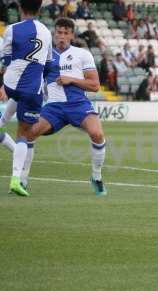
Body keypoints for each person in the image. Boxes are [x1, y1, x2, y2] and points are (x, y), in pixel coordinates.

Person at [19, 18, 107, 196]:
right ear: (54, 34)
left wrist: (71, 79)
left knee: (97, 134)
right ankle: (22, 179)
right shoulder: (43, 56)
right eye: (59, 32)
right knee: (29, 133)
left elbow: (95, 85)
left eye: (66, 33)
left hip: (79, 105)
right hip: (53, 107)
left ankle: (96, 177)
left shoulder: (83, 54)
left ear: (72, 35)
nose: (62, 36)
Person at [0, 0, 53, 196]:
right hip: (32, 88)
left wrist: (4, 85)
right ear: (39, 9)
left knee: (16, 98)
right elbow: (48, 65)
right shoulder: (46, 32)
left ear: (20, 9)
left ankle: (1, 121)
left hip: (11, 83)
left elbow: (5, 60)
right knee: (23, 134)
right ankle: (16, 180)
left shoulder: (11, 29)